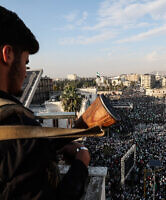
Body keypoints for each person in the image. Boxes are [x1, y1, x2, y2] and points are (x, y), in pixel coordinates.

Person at [0, 6, 90, 200]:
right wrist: (82, 161)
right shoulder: (18, 126)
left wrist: (66, 137)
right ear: (7, 55)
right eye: (25, 62)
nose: (25, 72)